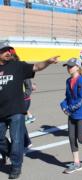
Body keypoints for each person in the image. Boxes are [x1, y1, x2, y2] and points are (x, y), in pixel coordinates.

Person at [0, 43, 59, 179]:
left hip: (16, 111)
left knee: (17, 140)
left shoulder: (18, 66)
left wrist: (48, 62)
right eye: (4, 51)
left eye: (9, 51)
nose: (8, 53)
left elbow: (36, 67)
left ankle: (16, 166)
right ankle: (13, 154)